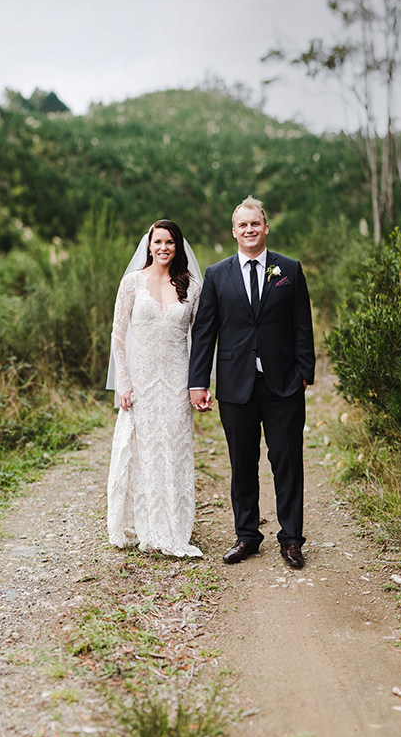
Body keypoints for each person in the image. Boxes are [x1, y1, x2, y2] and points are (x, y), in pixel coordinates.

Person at [186, 197, 315, 569]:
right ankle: (247, 537)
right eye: (242, 225)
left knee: (287, 461)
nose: (249, 230)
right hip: (235, 384)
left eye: (255, 223)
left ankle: (291, 539)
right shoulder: (217, 275)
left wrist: (304, 372)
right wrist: (199, 381)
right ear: (234, 231)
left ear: (265, 228)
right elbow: (205, 332)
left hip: (283, 385)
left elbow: (302, 325)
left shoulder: (288, 269)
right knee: (242, 463)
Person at [105, 219, 205, 558]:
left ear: (178, 247)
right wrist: (124, 382)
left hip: (177, 381)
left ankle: (174, 528)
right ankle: (143, 526)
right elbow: (118, 335)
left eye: (170, 242)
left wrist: (197, 383)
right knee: (141, 451)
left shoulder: (191, 286)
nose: (163, 247)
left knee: (174, 451)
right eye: (158, 241)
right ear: (149, 245)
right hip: (142, 381)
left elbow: (200, 340)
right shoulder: (132, 283)